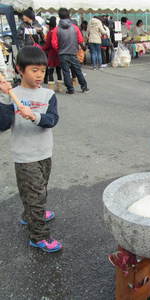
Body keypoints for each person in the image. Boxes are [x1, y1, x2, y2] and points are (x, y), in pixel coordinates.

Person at [0, 46, 62, 253]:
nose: (39, 75)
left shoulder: (48, 94)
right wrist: (4, 99)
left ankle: (30, 215)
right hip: (24, 156)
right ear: (20, 69)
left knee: (39, 190)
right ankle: (39, 237)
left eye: (42, 70)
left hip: (44, 153)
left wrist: (34, 116)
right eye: (34, 70)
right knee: (35, 195)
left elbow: (52, 120)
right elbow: (3, 124)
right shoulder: (12, 94)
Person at [51, 8, 89, 94]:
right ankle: (84, 87)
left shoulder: (56, 29)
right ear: (68, 15)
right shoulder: (75, 28)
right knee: (77, 70)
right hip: (73, 52)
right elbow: (80, 40)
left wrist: (59, 49)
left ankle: (70, 89)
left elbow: (54, 43)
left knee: (66, 72)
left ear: (59, 16)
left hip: (62, 53)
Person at [43, 16, 63, 92]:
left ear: (50, 25)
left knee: (51, 70)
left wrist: (41, 48)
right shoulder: (58, 31)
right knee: (58, 70)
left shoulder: (50, 32)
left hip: (52, 53)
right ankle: (60, 87)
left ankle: (51, 88)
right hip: (59, 52)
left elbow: (47, 45)